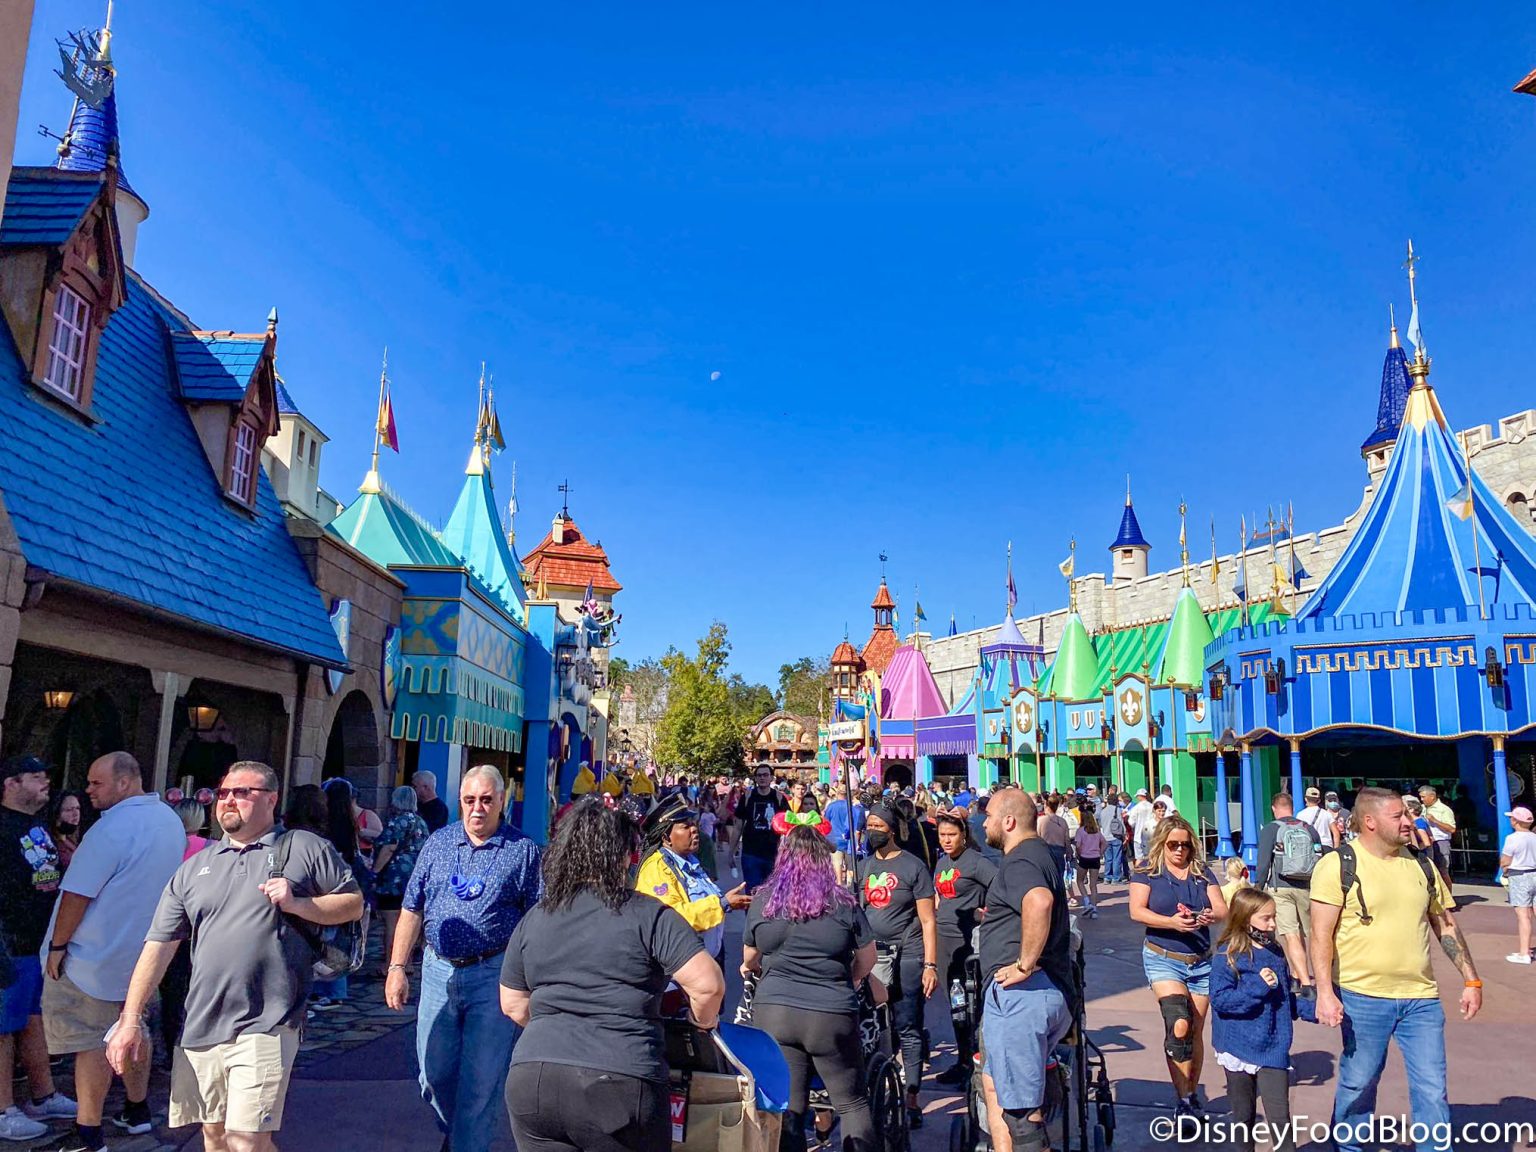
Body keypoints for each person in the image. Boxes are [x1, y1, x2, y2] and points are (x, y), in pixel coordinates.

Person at [105, 761, 363, 1152]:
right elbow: (159, 945)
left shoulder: (303, 847)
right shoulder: (194, 868)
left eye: (243, 792)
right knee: (216, 1138)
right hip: (202, 1022)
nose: (229, 800)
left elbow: (353, 904)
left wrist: (299, 904)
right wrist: (130, 1019)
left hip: (269, 1018)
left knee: (247, 1141)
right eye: (224, 792)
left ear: (271, 799)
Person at [500, 797, 724, 1152]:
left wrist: (558, 1025)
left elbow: (512, 1004)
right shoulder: (648, 914)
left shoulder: (536, 917)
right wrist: (700, 1024)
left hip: (534, 1077)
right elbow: (708, 985)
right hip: (620, 1075)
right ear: (621, 856)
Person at [1309, 787, 1479, 1152]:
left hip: (1421, 998)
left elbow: (1444, 924)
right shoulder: (1338, 864)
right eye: (1398, 816)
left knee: (1433, 1086)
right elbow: (1320, 935)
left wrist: (1471, 978)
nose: (1408, 821)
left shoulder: (1421, 863)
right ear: (1369, 821)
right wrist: (1324, 992)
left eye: (1408, 814)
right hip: (1362, 996)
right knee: (1359, 1083)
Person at [386, 765, 542, 1152]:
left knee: (480, 1082)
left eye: (487, 800)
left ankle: (466, 1143)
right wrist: (396, 968)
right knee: (432, 1074)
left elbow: (536, 922)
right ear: (460, 801)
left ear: (502, 802)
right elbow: (411, 907)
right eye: (470, 800)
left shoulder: (522, 852)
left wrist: (532, 981)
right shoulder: (438, 843)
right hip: (438, 972)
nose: (477, 809)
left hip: (493, 977)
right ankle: (458, 1134)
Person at [40, 752, 186, 1152]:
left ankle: (88, 1132)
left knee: (92, 1041)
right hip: (143, 953)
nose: (88, 791)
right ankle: (137, 1110)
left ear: (125, 783)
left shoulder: (111, 829)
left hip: (95, 955)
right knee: (133, 1025)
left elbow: (77, 894)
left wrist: (57, 945)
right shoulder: (169, 821)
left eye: (96, 783)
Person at [742, 826, 877, 1152]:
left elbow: (749, 958)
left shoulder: (765, 901)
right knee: (851, 1102)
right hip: (829, 1012)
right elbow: (868, 958)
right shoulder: (842, 902)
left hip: (775, 1013)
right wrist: (852, 979)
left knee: (790, 1104)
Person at [977, 789, 1075, 1152]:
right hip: (1039, 994)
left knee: (1021, 1114)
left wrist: (1024, 964)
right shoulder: (1039, 855)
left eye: (988, 815)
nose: (984, 822)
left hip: (1023, 998)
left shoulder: (1021, 860)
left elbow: (1039, 900)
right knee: (995, 1086)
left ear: (1008, 821)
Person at [1128, 814, 1227, 1119]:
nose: (1180, 851)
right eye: (1173, 845)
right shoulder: (1147, 871)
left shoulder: (1200, 873)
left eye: (1185, 845)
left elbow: (1222, 908)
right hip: (1162, 957)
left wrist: (1210, 916)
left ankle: (1190, 1095)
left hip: (1200, 960)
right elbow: (1136, 911)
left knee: (1195, 1030)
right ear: (1162, 843)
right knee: (1179, 1024)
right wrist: (1171, 922)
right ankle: (1183, 1099)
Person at [0, 755, 74, 1142]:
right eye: (35, 776)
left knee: (32, 1020)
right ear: (11, 784)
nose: (46, 782)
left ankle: (43, 1094)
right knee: (2, 1028)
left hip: (36, 942)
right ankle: (2, 1109)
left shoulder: (37, 826)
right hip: (7, 941)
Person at [1209, 889, 1316, 1152]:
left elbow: (1283, 999)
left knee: (1280, 1121)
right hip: (1237, 1046)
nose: (1273, 924)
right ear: (1246, 919)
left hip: (1272, 1047)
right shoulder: (1227, 955)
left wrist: (1314, 1010)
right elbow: (1221, 1000)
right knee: (1243, 1118)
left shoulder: (1275, 951)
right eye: (1266, 919)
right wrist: (1257, 987)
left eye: (1274, 917)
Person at [858, 803, 938, 1128]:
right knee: (874, 1027)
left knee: (908, 1025)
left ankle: (912, 1097)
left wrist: (930, 964)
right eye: (869, 825)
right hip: (872, 958)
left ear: (891, 830)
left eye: (878, 825)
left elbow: (928, 920)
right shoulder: (862, 868)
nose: (872, 830)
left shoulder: (913, 867)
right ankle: (877, 1089)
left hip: (908, 954)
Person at [635, 804, 749, 962]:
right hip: (681, 968)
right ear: (666, 838)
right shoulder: (656, 868)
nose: (694, 829)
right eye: (685, 826)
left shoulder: (688, 861)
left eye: (693, 824)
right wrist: (722, 904)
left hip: (706, 959)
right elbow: (671, 918)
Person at [931, 809, 996, 1085]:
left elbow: (1000, 887)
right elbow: (937, 899)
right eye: (942, 834)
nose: (946, 840)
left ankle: (978, 1062)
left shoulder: (976, 862)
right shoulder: (941, 863)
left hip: (968, 944)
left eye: (952, 835)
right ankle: (963, 1060)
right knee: (955, 1005)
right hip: (944, 941)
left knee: (971, 1006)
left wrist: (985, 912)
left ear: (964, 835)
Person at [158, 797, 212, 1063]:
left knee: (171, 993)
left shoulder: (165, 847)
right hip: (200, 929)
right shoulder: (212, 849)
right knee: (197, 990)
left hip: (168, 927)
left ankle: (170, 1050)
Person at [1255, 792, 1322, 989]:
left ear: (1274, 808)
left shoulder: (1271, 829)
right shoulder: (1309, 829)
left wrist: (1258, 887)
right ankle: (1302, 974)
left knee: (1291, 935)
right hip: (1307, 887)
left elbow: (1263, 863)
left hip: (1280, 887)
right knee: (1312, 935)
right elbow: (1320, 855)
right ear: (1292, 808)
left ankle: (1304, 983)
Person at [371, 785, 430, 976]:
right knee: (410, 919)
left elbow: (389, 848)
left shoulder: (396, 822)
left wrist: (374, 872)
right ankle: (408, 963)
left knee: (391, 923)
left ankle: (390, 964)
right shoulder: (421, 822)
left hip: (394, 879)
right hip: (414, 877)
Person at [737, 767, 788, 890]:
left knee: (772, 893)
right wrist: (732, 850)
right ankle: (751, 910)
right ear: (755, 778)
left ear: (771, 778)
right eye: (759, 775)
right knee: (752, 892)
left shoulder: (779, 798)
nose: (762, 778)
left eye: (765, 775)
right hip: (751, 852)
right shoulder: (748, 797)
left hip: (773, 853)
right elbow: (738, 825)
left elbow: (787, 826)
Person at [1500, 805, 1536, 963]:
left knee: (1523, 916)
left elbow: (1505, 860)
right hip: (1534, 872)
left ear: (1515, 821)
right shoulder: (1534, 837)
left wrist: (1505, 869)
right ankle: (1526, 951)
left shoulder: (1512, 838)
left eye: (1511, 818)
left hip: (1519, 875)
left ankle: (1524, 953)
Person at [824, 780, 866, 881]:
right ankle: (849, 886)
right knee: (850, 867)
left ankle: (839, 883)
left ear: (837, 793)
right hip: (850, 840)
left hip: (835, 839)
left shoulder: (831, 806)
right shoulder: (852, 807)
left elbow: (825, 822)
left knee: (837, 864)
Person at [1417, 785, 1456, 889]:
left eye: (1423, 797)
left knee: (1442, 870)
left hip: (1440, 841)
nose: (1422, 799)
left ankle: (1449, 899)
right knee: (1429, 870)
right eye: (1420, 797)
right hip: (1426, 841)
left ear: (1432, 796)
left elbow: (1452, 829)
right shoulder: (1422, 808)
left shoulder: (1444, 810)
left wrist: (1435, 821)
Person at [1072, 809, 1104, 917]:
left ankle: (1086, 901)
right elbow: (1105, 843)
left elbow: (1078, 845)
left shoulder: (1080, 831)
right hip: (1095, 858)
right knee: (1093, 885)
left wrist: (1079, 853)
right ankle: (1094, 908)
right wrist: (1100, 852)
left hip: (1085, 858)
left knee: (1080, 880)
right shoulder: (1097, 831)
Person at [48, 790, 88, 873]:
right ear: (56, 813)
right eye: (69, 810)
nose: (76, 813)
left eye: (78, 808)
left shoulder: (71, 840)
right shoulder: (48, 843)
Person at [1035, 795, 1070, 881]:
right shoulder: (1062, 821)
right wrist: (1069, 852)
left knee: (1047, 878)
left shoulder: (1041, 820)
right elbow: (1067, 839)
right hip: (1059, 851)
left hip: (1045, 851)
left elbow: (1036, 837)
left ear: (1046, 805)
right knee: (1059, 878)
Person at [1100, 789, 1128, 884]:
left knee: (1108, 858)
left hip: (1105, 837)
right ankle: (1116, 878)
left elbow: (1101, 825)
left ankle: (1107, 877)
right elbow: (1121, 824)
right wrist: (1125, 835)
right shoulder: (1117, 810)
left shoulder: (1102, 811)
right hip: (1116, 837)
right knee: (1117, 858)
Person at [1125, 788, 1155, 866]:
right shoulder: (1152, 807)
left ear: (1140, 796)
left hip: (1138, 836)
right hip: (1151, 835)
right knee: (1151, 857)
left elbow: (1131, 823)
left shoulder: (1136, 808)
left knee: (1139, 858)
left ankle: (1138, 875)